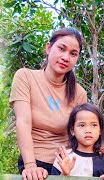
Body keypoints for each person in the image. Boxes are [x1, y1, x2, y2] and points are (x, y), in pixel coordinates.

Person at [9, 27, 88, 180]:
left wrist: (101, 153)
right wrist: (30, 165)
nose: (66, 57)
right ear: (48, 48)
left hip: (66, 165)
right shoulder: (25, 77)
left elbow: (81, 134)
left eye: (73, 54)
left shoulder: (79, 93)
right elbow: (23, 122)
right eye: (61, 48)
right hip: (35, 163)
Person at [51, 103, 104, 179]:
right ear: (72, 130)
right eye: (82, 125)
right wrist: (64, 174)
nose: (88, 130)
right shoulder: (64, 158)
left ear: (100, 130)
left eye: (94, 125)